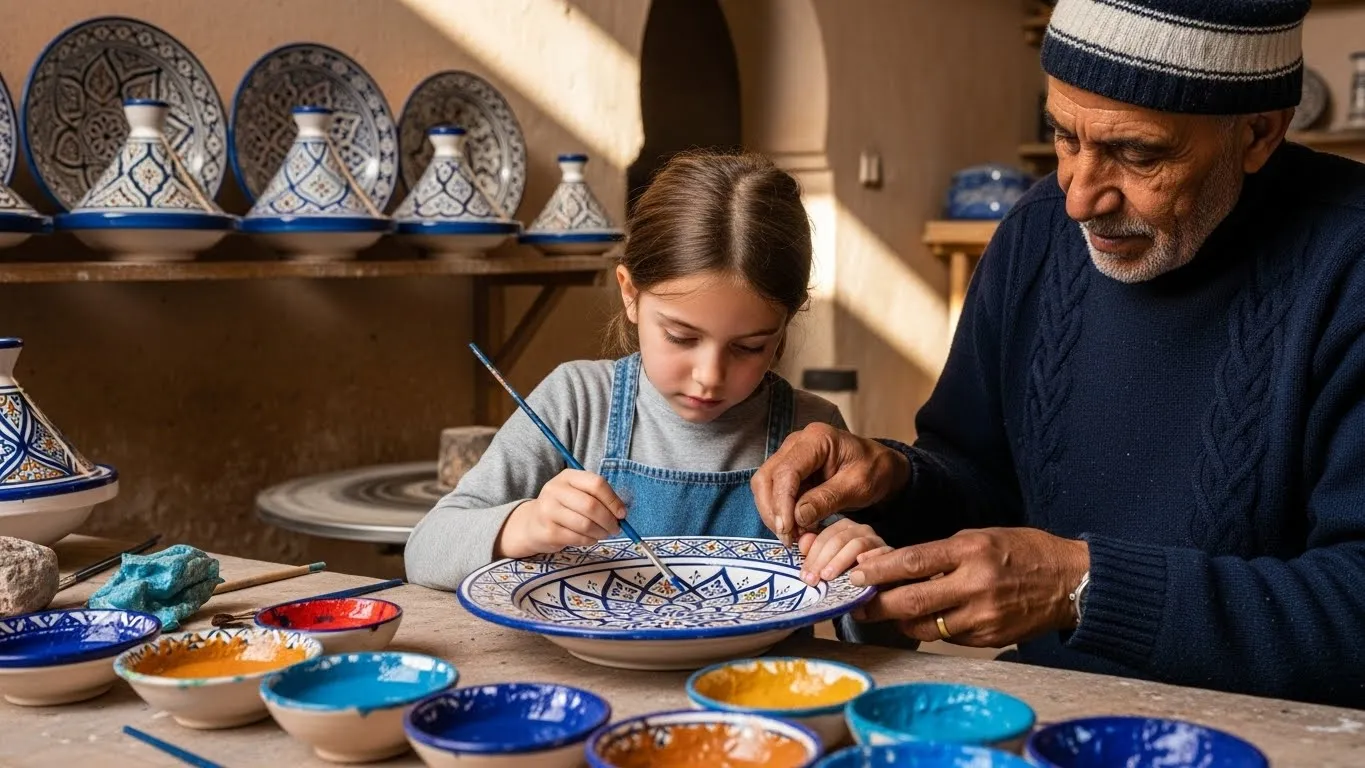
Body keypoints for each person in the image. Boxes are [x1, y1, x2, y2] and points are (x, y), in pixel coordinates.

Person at [754, 0, 1365, 708]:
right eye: (1064, 137)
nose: (1078, 198)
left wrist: (1081, 585)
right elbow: (980, 480)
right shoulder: (1035, 233)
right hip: (1038, 704)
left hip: (1268, 732)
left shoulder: (1347, 266)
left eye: (1137, 154)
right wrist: (894, 478)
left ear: (1257, 133)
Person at [405, 151, 898, 653]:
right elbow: (424, 549)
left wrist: (865, 573)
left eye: (749, 347)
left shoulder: (812, 433)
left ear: (785, 326)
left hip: (755, 704)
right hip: (591, 691)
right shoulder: (576, 402)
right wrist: (523, 524)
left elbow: (876, 637)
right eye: (682, 337)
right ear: (631, 294)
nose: (709, 377)